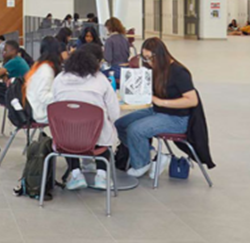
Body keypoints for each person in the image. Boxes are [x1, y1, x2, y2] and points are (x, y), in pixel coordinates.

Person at [114, 37, 199, 179]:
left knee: (136, 130)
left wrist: (161, 102)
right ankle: (153, 155)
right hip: (158, 111)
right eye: (144, 57)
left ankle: (141, 164)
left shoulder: (179, 72)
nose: (147, 62)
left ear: (159, 55)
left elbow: (192, 100)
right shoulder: (155, 70)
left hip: (177, 118)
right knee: (120, 124)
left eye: (149, 58)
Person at [52, 44, 121, 190]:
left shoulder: (59, 79)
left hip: (66, 139)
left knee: (68, 129)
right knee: (107, 129)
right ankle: (102, 175)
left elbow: (53, 106)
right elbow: (115, 114)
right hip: (96, 139)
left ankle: (76, 173)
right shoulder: (101, 80)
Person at [24, 36, 65, 125]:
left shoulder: (40, 65)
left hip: (35, 107)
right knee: (74, 113)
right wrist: (62, 95)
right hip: (40, 112)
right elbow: (43, 96)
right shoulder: (46, 70)